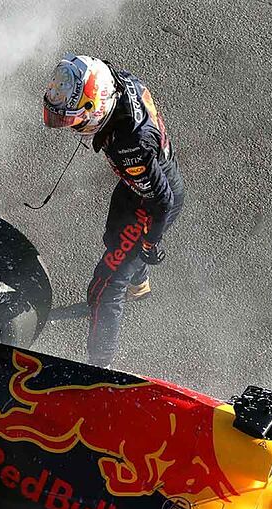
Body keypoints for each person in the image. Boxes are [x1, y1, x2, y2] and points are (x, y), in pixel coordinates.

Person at [41, 54, 186, 368]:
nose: (72, 126)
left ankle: (100, 366)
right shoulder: (114, 80)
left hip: (152, 199)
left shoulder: (129, 145)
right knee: (114, 236)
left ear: (97, 107)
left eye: (75, 119)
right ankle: (140, 286)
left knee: (104, 287)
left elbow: (162, 201)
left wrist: (150, 243)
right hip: (141, 185)